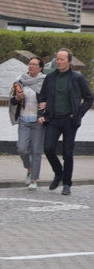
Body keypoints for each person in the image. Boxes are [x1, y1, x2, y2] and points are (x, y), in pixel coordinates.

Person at [37, 48, 93, 195]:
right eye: (57, 59)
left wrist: (78, 114)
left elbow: (89, 98)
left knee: (67, 153)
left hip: (69, 121)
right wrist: (40, 113)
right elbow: (41, 98)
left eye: (62, 59)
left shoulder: (77, 78)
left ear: (69, 61)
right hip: (53, 119)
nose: (59, 61)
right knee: (48, 148)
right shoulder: (50, 78)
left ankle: (67, 183)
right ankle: (59, 173)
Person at [9, 57, 46, 191]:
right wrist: (17, 98)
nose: (31, 66)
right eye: (30, 64)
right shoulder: (20, 80)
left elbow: (51, 98)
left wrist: (47, 105)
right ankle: (29, 169)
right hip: (24, 119)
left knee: (36, 151)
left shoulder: (45, 82)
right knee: (22, 149)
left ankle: (34, 179)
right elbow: (12, 100)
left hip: (38, 121)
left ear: (40, 68)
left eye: (35, 64)